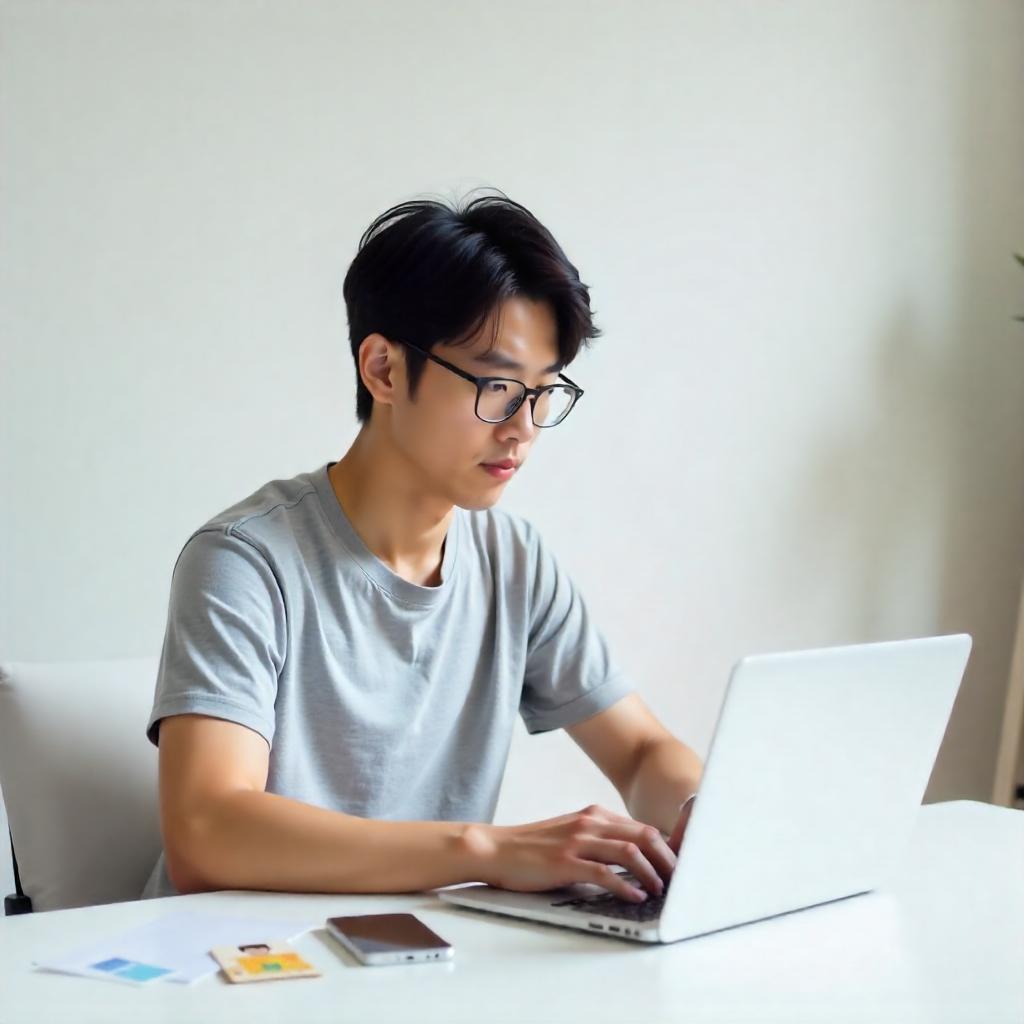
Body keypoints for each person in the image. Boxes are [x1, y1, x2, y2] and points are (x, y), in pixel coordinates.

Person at [141, 188, 703, 905]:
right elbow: (207, 830)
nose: (522, 427)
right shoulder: (245, 560)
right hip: (239, 966)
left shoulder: (514, 560)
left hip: (416, 961)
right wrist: (487, 850)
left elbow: (643, 752)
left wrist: (697, 817)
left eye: (543, 392)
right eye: (498, 385)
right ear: (382, 369)